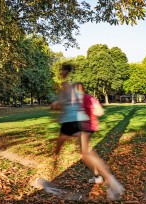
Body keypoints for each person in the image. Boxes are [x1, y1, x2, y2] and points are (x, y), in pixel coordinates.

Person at [53, 63, 124, 201]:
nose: (61, 73)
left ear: (64, 72)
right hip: (79, 122)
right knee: (86, 154)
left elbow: (64, 102)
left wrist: (56, 105)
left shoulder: (66, 85)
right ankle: (111, 181)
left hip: (70, 122)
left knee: (58, 150)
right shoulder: (76, 89)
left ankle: (53, 178)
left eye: (62, 71)